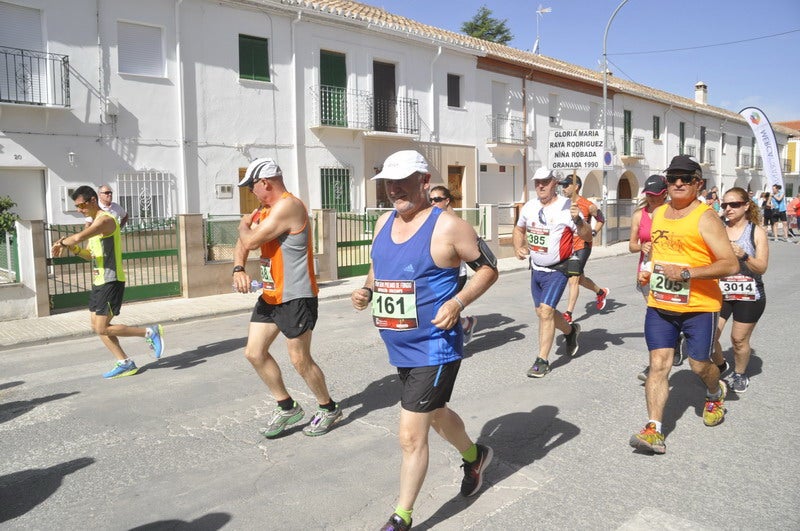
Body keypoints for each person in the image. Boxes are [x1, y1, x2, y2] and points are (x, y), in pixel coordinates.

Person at [350, 150, 498, 531]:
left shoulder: (449, 226)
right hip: (399, 346)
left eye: (402, 181)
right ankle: (475, 455)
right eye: (388, 182)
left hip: (435, 346)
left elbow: (488, 269)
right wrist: (367, 290)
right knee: (434, 415)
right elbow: (378, 265)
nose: (394, 189)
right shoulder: (385, 221)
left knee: (409, 434)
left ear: (423, 180)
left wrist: (458, 301)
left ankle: (401, 516)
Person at [629, 155, 739, 455]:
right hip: (660, 304)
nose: (678, 183)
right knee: (659, 365)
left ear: (698, 183)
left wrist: (688, 273)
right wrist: (649, 269)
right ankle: (653, 429)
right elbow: (664, 255)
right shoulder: (660, 214)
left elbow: (729, 264)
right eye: (673, 177)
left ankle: (715, 392)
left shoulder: (706, 218)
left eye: (686, 178)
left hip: (699, 307)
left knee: (699, 364)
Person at [233, 157, 341, 438]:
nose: (251, 193)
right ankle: (287, 406)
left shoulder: (288, 206)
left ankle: (328, 407)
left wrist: (243, 227)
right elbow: (242, 245)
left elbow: (249, 240)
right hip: (270, 295)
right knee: (254, 353)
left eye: (251, 187)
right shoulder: (263, 211)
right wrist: (238, 267)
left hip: (296, 295)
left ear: (265, 183)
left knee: (299, 359)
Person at [51, 185, 164, 378]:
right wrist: (74, 250)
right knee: (97, 327)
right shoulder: (94, 225)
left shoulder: (105, 221)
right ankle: (125, 362)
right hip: (99, 280)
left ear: (93, 200)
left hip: (111, 280)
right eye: (77, 206)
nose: (79, 210)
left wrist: (61, 242)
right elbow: (89, 255)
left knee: (103, 327)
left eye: (81, 205)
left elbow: (77, 237)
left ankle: (150, 332)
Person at [512, 167, 592, 378]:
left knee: (546, 312)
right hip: (536, 269)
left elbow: (588, 236)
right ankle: (570, 331)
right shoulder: (529, 206)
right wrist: (518, 247)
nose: (540, 186)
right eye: (537, 182)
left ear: (554, 183)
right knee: (541, 312)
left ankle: (542, 360)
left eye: (545, 182)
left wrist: (579, 221)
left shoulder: (568, 207)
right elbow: (519, 229)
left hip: (558, 269)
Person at [710, 187, 769, 393]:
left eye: (734, 204)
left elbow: (761, 267)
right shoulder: (719, 230)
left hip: (749, 294)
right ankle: (720, 366)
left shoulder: (756, 231)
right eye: (725, 205)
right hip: (722, 292)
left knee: (738, 340)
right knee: (710, 337)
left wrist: (744, 255)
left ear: (746, 205)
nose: (728, 208)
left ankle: (740, 373)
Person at [628, 174, 670, 382]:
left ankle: (665, 353)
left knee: (667, 314)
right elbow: (631, 245)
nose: (652, 199)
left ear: (665, 193)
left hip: (669, 271)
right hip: (646, 271)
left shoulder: (674, 213)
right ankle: (655, 363)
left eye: (656, 195)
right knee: (655, 315)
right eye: (649, 195)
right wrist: (641, 246)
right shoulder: (639, 215)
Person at [429, 185, 479, 343]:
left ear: (446, 200)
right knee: (440, 307)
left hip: (456, 274)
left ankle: (461, 328)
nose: (433, 203)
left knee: (442, 308)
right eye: (430, 199)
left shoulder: (453, 221)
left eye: (437, 199)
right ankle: (465, 324)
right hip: (439, 272)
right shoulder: (435, 218)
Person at [558, 172, 609, 324]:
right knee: (580, 279)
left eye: (566, 185)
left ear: (576, 187)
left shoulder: (588, 205)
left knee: (573, 279)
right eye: (563, 186)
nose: (563, 189)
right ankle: (601, 292)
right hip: (568, 246)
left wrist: (593, 232)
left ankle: (568, 314)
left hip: (582, 245)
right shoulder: (562, 203)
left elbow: (601, 219)